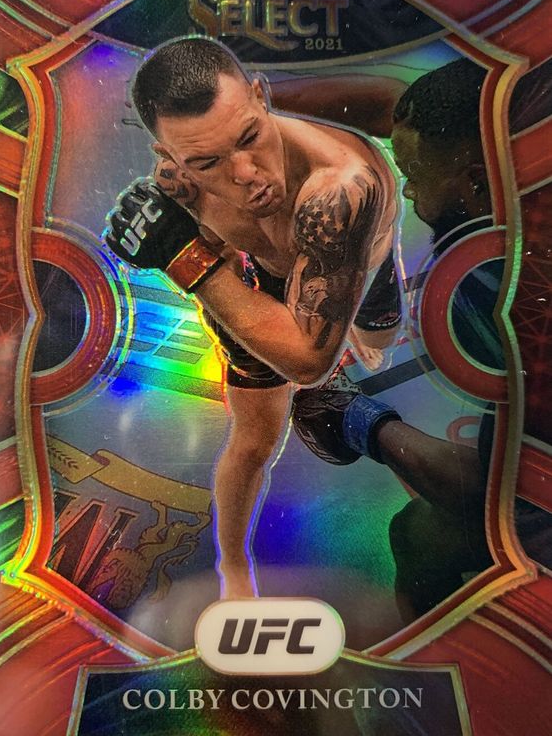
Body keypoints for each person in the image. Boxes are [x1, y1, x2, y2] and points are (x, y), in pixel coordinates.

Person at [105, 36, 403, 598]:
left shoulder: (339, 187)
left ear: (261, 97)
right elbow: (201, 251)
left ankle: (361, 328)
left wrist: (182, 258)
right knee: (254, 440)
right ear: (172, 157)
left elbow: (309, 363)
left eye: (249, 138)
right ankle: (235, 569)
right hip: (256, 277)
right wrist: (180, 246)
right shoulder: (177, 181)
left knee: (380, 336)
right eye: (207, 162)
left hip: (355, 260)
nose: (247, 175)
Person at [293, 57, 552, 619]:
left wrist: (359, 421)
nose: (408, 189)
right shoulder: (516, 135)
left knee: (421, 532)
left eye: (413, 173)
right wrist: (254, 105)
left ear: (476, 183)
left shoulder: (501, 295)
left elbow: (490, 495)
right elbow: (401, 105)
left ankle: (447, 663)